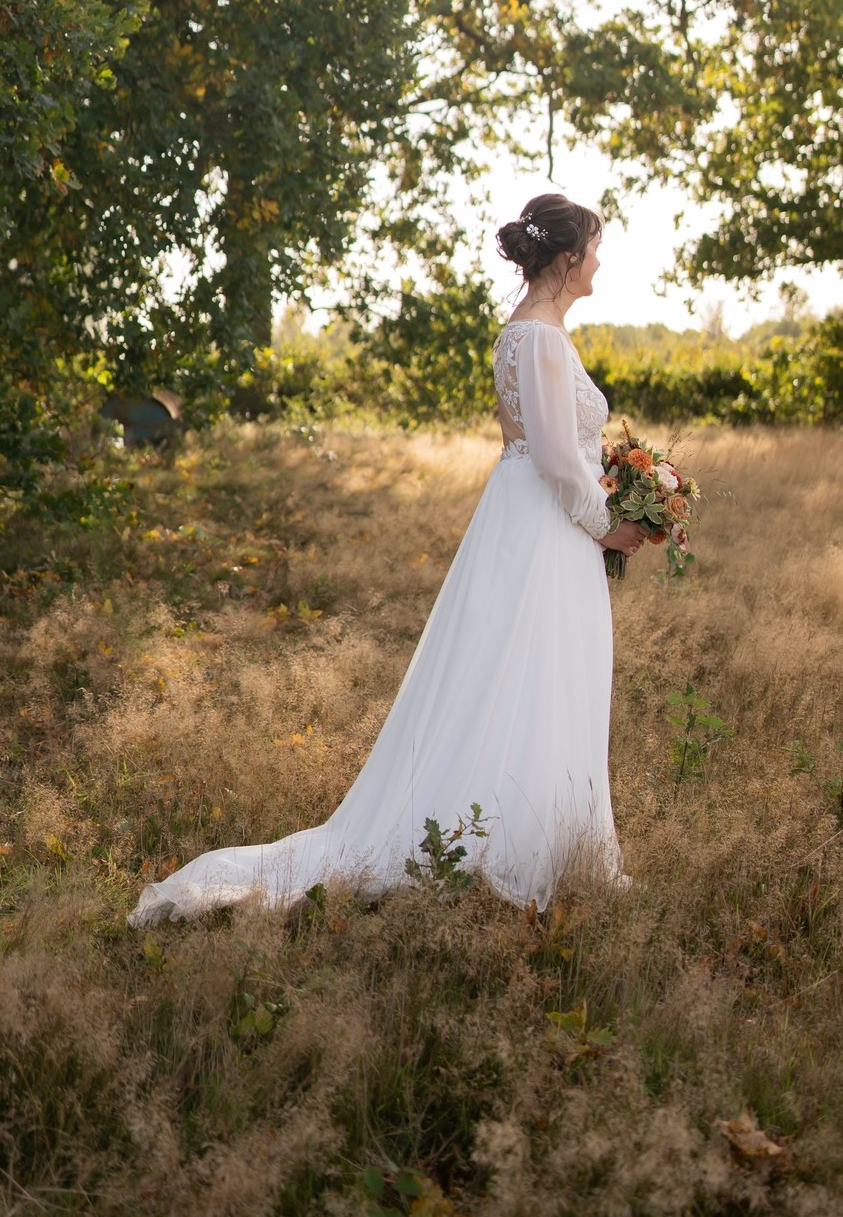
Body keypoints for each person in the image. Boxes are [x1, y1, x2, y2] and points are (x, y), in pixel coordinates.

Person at [128, 192, 643, 926]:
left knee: (522, 674)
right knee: (537, 669)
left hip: (523, 518)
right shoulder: (544, 340)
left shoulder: (520, 334)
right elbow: (561, 460)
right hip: (549, 526)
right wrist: (609, 527)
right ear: (566, 258)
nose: (599, 261)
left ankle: (542, 834)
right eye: (593, 248)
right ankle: (513, 846)